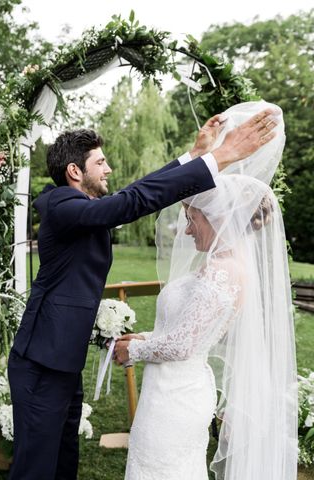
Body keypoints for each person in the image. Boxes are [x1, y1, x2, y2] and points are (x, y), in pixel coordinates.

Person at [7, 106, 281, 480]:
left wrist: (194, 157)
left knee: (63, 458)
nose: (109, 170)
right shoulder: (60, 204)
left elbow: (128, 196)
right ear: (75, 171)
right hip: (42, 361)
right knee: (36, 467)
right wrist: (221, 157)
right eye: (100, 163)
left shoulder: (84, 207)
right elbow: (129, 203)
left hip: (61, 358)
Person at [115, 101, 297, 479]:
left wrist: (132, 349)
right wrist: (146, 336)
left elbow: (183, 346)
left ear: (215, 218)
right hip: (166, 391)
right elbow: (186, 332)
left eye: (191, 219)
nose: (186, 230)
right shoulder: (217, 266)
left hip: (177, 399)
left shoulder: (226, 273)